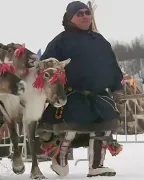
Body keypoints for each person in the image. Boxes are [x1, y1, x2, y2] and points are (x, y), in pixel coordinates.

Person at [38, 1, 124, 177]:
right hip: (72, 94)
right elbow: (46, 65)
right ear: (71, 18)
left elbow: (112, 65)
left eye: (87, 12)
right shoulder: (60, 40)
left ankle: (96, 165)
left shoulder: (100, 40)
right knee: (69, 130)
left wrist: (117, 88)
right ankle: (59, 161)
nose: (85, 16)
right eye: (80, 14)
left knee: (103, 128)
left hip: (100, 95)